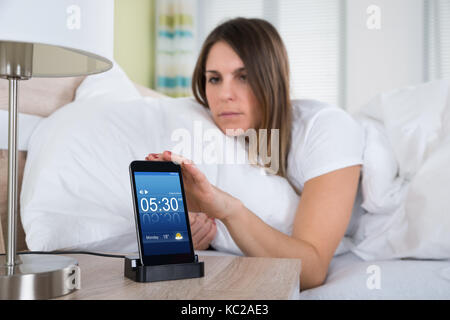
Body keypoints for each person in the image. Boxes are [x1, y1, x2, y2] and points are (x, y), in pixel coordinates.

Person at [146, 17, 364, 290]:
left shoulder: (326, 128)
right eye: (214, 79)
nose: (225, 94)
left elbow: (310, 271)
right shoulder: (213, 133)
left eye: (243, 77)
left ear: (271, 78)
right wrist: (198, 235)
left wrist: (230, 212)